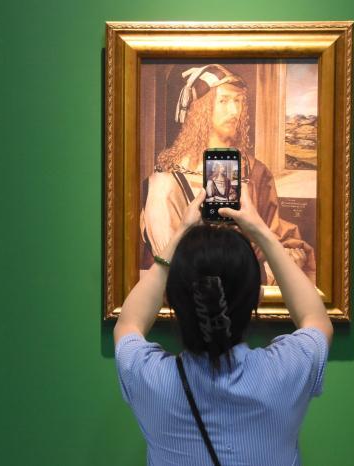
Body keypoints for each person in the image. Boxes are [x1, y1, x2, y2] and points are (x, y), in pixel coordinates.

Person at [116, 186, 333, 465]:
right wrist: (260, 230)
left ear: (170, 299)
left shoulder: (149, 378)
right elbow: (316, 320)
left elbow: (129, 323)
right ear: (258, 297)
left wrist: (181, 232)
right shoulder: (287, 369)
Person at [140, 63, 316, 284]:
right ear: (200, 110)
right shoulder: (164, 183)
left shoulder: (257, 172)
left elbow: (274, 234)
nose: (234, 111)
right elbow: (168, 261)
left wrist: (285, 256)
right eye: (223, 101)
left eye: (238, 101)